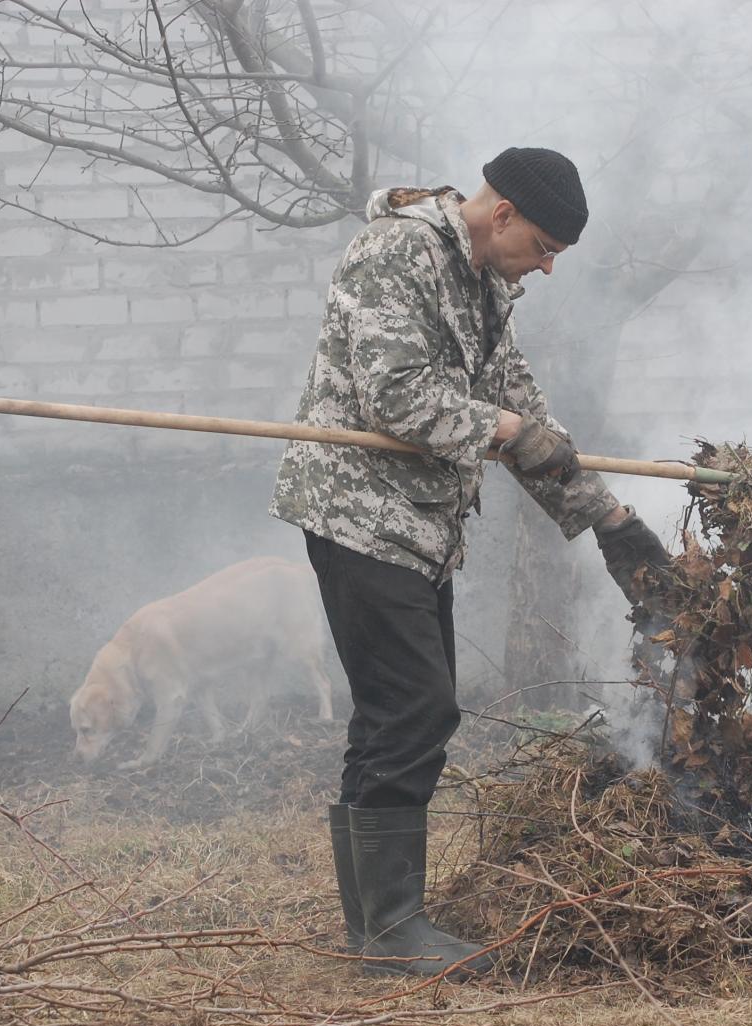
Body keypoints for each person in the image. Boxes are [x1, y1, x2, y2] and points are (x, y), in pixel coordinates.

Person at [270, 147, 670, 979]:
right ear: (503, 215)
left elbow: (519, 410)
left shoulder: (488, 282)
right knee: (415, 709)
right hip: (358, 516)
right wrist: (507, 432)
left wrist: (611, 521)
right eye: (548, 246)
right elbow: (398, 393)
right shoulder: (397, 253)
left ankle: (380, 924)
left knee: (393, 713)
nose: (551, 267)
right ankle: (390, 930)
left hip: (415, 527)